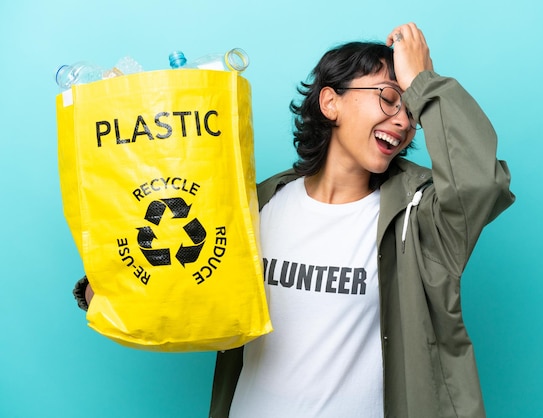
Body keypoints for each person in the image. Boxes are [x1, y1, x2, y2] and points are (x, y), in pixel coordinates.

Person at [74, 22, 514, 418]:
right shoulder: (259, 204)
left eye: (411, 110)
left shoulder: (418, 220)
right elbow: (191, 285)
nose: (402, 120)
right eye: (389, 98)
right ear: (330, 102)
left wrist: (422, 81)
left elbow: (480, 183)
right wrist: (114, 290)